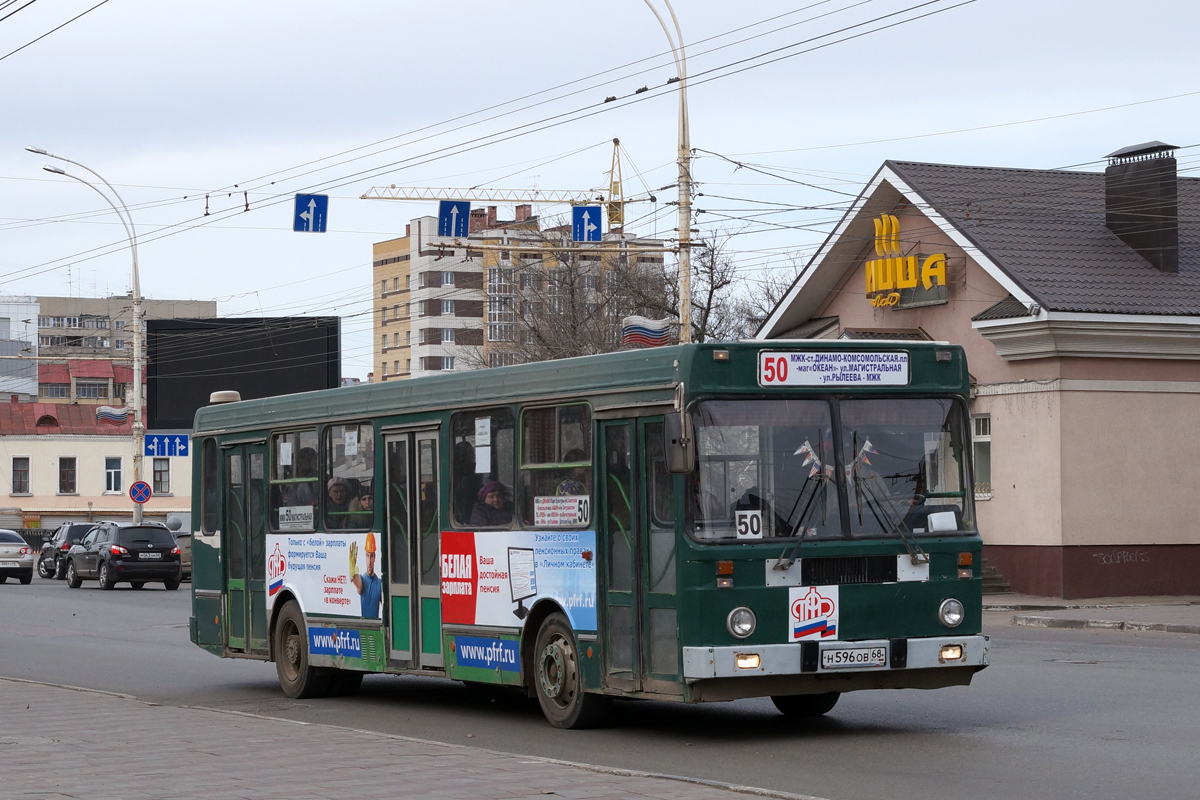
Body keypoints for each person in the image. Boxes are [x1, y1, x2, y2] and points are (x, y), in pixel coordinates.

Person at [350, 532, 382, 618]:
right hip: (364, 626)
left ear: (374, 558)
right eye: (367, 556)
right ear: (365, 557)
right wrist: (352, 573)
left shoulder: (379, 584)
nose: (369, 562)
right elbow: (358, 584)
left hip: (376, 628)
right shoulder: (362, 579)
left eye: (371, 556)